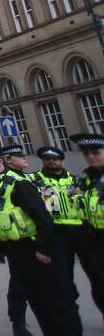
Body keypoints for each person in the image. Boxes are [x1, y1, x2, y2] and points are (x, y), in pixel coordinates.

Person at [0, 144, 84, 336]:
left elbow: (43, 217)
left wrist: (44, 248)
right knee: (38, 302)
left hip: (36, 248)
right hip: (17, 251)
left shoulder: (18, 183)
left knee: (56, 302)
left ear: (0, 161)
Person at [36, 142, 102, 323]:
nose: (51, 162)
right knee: (63, 277)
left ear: (61, 161)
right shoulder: (39, 181)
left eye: (54, 159)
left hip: (81, 231)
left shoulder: (75, 180)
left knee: (96, 274)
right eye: (47, 159)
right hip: (58, 232)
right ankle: (69, 314)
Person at [0, 143, 37, 336]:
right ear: (7, 159)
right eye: (20, 155)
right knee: (19, 285)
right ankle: (18, 323)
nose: (24, 157)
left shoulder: (32, 178)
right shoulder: (3, 184)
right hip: (19, 242)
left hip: (39, 240)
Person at [69, 133, 104, 322]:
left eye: (96, 152)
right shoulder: (86, 181)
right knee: (98, 282)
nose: (91, 156)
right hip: (94, 240)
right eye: (86, 153)